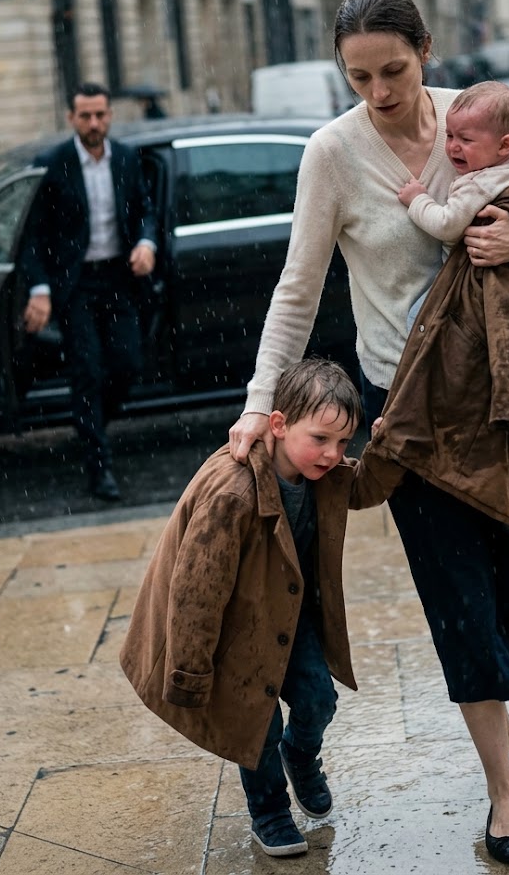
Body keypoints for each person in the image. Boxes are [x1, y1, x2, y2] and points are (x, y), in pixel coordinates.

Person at [228, 0, 509, 867]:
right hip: (407, 418)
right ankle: (504, 790)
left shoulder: (484, 123)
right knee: (458, 609)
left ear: (427, 51)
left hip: (506, 405)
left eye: (394, 69)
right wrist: (260, 404)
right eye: (359, 76)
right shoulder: (332, 155)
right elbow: (297, 290)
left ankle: (499, 717)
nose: (378, 91)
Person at [120, 358, 396, 857]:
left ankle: (303, 756)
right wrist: (189, 670)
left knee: (318, 699)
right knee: (257, 723)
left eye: (343, 443)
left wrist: (388, 447)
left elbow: (364, 486)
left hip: (290, 616)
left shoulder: (321, 471)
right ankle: (268, 812)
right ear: (278, 424)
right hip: (236, 628)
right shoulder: (233, 492)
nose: (333, 455)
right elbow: (196, 590)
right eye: (320, 439)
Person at [19, 81, 157, 501]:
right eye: (85, 116)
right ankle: (99, 467)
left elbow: (146, 210)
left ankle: (91, 423)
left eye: (100, 115)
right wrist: (40, 289)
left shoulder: (127, 158)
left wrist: (146, 244)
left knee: (128, 365)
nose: (94, 123)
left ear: (110, 115)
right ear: (71, 118)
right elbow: (33, 234)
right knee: (87, 372)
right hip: (75, 285)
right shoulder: (53, 163)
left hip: (119, 278)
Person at [398, 80, 509, 331]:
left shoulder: (477, 185)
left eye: (466, 140)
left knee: (417, 319)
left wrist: (417, 200)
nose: (453, 147)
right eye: (449, 135)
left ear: (505, 145)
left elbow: (446, 224)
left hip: (471, 283)